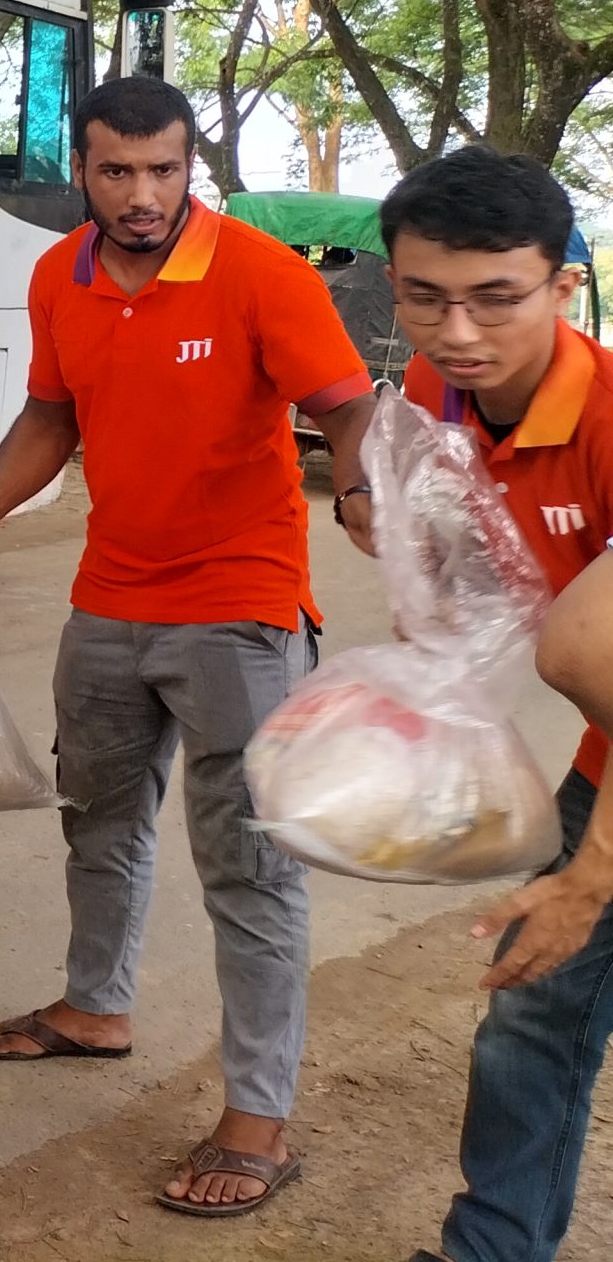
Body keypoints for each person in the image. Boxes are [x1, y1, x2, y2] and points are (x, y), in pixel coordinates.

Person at [0, 74, 377, 1220]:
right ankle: (94, 1006)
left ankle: (258, 1114)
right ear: (80, 172)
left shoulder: (259, 273)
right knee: (96, 818)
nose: (142, 195)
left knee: (249, 862)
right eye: (116, 171)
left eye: (162, 169)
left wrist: (362, 490)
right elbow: (52, 418)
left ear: (190, 166)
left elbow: (345, 405)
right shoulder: (59, 278)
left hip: (239, 607)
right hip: (107, 601)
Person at [382, 149, 612, 1262]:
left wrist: (591, 874)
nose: (457, 331)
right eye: (425, 297)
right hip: (601, 753)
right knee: (532, 1011)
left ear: (564, 287)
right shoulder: (438, 398)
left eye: (495, 298)